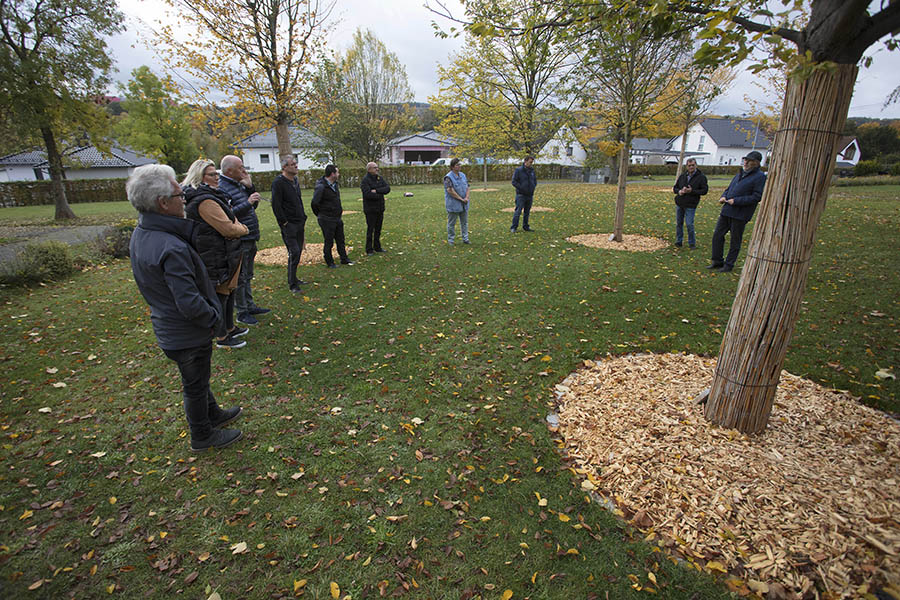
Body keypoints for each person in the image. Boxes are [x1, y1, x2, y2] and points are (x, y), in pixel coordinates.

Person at [127, 164, 243, 452]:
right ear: (162, 203)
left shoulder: (144, 233)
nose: (185, 199)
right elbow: (189, 301)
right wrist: (214, 317)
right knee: (194, 382)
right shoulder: (170, 246)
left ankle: (212, 413)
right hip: (185, 332)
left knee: (197, 377)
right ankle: (202, 434)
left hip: (171, 328)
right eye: (179, 195)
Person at [181, 159, 250, 349]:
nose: (217, 177)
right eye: (212, 174)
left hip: (224, 251)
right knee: (220, 293)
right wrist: (243, 229)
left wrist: (237, 226)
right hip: (214, 253)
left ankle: (229, 327)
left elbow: (230, 217)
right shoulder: (204, 200)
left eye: (216, 173)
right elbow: (228, 228)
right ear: (200, 177)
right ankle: (221, 336)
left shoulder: (214, 195)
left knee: (228, 290)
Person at [218, 155, 269, 325]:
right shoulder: (223, 188)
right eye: (240, 168)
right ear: (229, 171)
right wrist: (247, 202)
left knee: (248, 274)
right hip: (239, 238)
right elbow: (227, 215)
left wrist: (250, 188)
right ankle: (242, 311)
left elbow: (252, 205)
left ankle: (249, 305)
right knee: (240, 276)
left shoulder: (238, 184)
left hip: (250, 235)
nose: (244, 171)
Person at [708, 150, 767, 273]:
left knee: (735, 240)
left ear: (755, 163)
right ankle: (717, 260)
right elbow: (728, 189)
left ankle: (729, 264)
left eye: (749, 161)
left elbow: (757, 196)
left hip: (740, 214)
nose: (745, 162)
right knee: (717, 235)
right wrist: (724, 196)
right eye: (745, 160)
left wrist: (736, 201)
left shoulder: (760, 177)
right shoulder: (739, 174)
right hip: (727, 210)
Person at [271, 155, 308, 292]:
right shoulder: (278, 183)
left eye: (296, 163)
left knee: (298, 252)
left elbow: (298, 201)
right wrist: (284, 222)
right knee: (294, 252)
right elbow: (276, 205)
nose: (296, 166)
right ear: (284, 167)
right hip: (289, 225)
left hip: (299, 222)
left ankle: (295, 278)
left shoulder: (295, 181)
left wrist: (303, 217)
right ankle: (292, 284)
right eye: (292, 164)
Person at [311, 164, 354, 268]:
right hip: (326, 218)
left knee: (340, 239)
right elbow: (314, 203)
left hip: (337, 217)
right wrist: (322, 214)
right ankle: (329, 262)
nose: (339, 174)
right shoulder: (321, 186)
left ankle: (344, 258)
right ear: (332, 174)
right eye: (337, 172)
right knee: (329, 241)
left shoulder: (335, 185)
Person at [672, 158, 709, 249]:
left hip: (691, 204)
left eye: (693, 165)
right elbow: (675, 188)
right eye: (689, 165)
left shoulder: (701, 177)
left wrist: (692, 191)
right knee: (679, 223)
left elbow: (704, 190)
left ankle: (691, 243)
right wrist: (679, 191)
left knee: (689, 224)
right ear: (687, 166)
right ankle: (679, 241)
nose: (691, 167)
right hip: (680, 203)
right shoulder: (683, 176)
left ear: (696, 165)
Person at [360, 162, 391, 254]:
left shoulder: (379, 178)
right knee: (371, 229)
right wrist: (380, 194)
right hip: (370, 209)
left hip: (380, 208)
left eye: (377, 167)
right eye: (375, 168)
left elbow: (387, 189)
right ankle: (369, 249)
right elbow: (367, 194)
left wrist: (376, 191)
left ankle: (377, 247)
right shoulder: (365, 180)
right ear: (369, 169)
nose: (377, 169)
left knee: (378, 229)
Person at [444, 158, 470, 245]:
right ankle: (451, 240)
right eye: (457, 165)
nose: (459, 166)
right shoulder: (448, 177)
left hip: (464, 204)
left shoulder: (463, 175)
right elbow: (450, 190)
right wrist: (461, 199)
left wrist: (466, 197)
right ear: (452, 167)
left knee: (464, 222)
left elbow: (467, 187)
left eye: (460, 164)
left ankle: (465, 238)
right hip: (453, 204)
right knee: (452, 223)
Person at [510, 156, 537, 233]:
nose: (531, 164)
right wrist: (521, 188)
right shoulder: (518, 170)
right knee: (518, 211)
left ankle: (526, 226)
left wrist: (533, 186)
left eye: (532, 162)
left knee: (527, 212)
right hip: (521, 195)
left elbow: (534, 180)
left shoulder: (532, 171)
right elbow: (514, 181)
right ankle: (514, 227)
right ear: (525, 161)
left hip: (530, 195)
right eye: (530, 162)